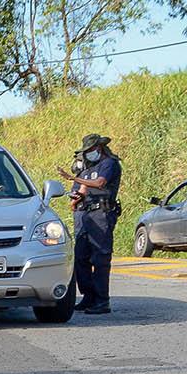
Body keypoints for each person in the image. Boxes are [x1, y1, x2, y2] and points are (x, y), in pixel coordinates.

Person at [61, 133, 122, 315]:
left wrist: (74, 179)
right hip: (84, 214)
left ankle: (102, 301)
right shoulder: (86, 168)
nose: (87, 154)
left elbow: (99, 183)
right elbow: (81, 191)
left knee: (100, 258)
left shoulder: (108, 164)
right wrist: (75, 198)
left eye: (89, 150)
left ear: (98, 148)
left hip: (101, 213)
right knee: (80, 257)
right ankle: (88, 297)